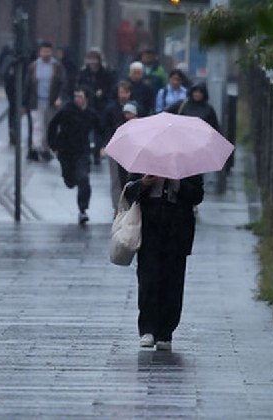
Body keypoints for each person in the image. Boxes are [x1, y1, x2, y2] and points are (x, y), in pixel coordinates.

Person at [124, 172, 204, 351]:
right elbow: (129, 190)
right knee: (148, 279)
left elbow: (197, 196)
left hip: (178, 229)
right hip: (149, 227)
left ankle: (165, 332)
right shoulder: (145, 161)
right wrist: (143, 183)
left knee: (173, 281)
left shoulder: (188, 165)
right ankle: (147, 329)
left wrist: (178, 184)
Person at [47, 86, 101, 225]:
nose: (77, 99)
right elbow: (52, 126)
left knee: (83, 178)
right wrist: (54, 146)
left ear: (86, 98)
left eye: (80, 96)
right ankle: (70, 178)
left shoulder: (90, 113)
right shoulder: (67, 110)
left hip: (82, 151)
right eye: (76, 96)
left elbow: (100, 129)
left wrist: (101, 146)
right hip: (66, 151)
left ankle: (83, 209)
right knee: (70, 181)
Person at [24, 41, 67, 161]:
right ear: (39, 52)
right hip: (36, 101)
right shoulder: (33, 66)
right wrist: (25, 102)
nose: (46, 54)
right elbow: (27, 84)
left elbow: (63, 83)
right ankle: (36, 147)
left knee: (48, 126)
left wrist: (60, 97)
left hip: (51, 102)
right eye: (43, 51)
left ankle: (44, 148)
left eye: (48, 51)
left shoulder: (57, 67)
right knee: (37, 125)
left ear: (51, 52)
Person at [77, 48, 115, 164]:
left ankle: (97, 153)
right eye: (90, 59)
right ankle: (85, 153)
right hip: (87, 105)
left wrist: (102, 92)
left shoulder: (106, 73)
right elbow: (79, 86)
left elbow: (111, 88)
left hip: (100, 106)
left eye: (95, 59)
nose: (93, 62)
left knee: (99, 130)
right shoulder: (83, 73)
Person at [101, 81, 134, 210]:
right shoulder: (111, 108)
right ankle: (117, 207)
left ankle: (130, 205)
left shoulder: (135, 107)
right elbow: (104, 128)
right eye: (121, 92)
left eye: (126, 92)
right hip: (115, 147)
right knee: (115, 179)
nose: (124, 95)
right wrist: (104, 144)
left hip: (131, 147)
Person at [0, 44, 19, 145]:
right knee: (16, 107)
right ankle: (14, 129)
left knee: (12, 107)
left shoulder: (7, 47)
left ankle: (12, 129)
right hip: (15, 82)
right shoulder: (21, 48)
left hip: (9, 81)